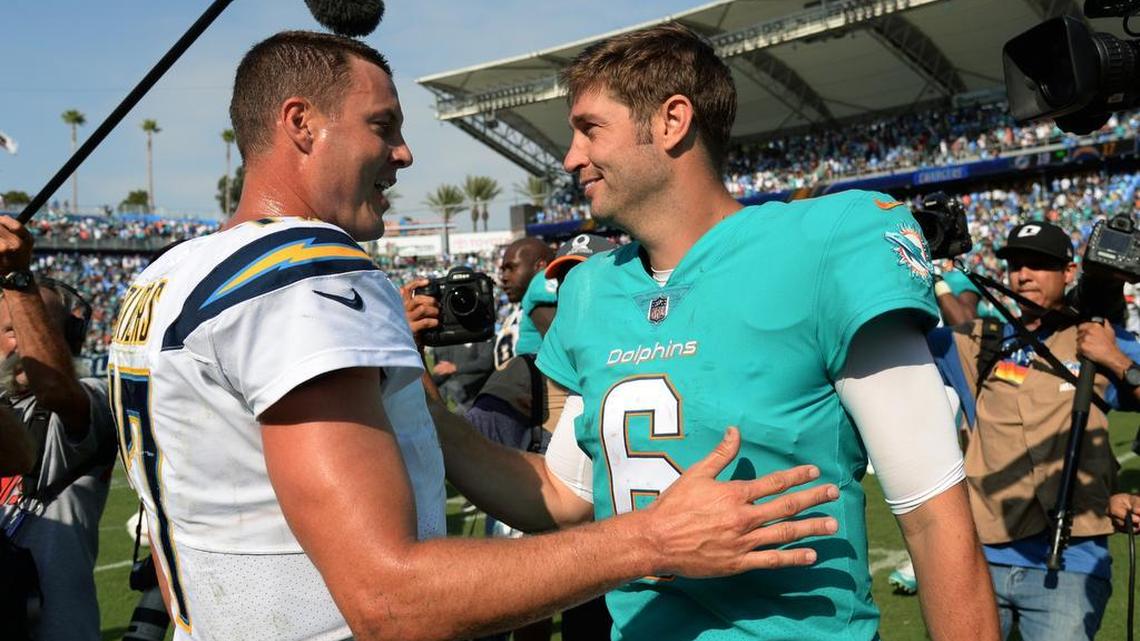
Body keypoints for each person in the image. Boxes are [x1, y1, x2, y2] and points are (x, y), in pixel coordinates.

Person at [106, 31, 841, 641]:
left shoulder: (165, 278)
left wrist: (426, 410)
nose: (404, 154)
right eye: (383, 125)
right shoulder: (304, 273)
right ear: (301, 124)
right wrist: (652, 539)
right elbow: (388, 598)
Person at [486, 22, 997, 640]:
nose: (570, 157)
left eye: (591, 129)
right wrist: (422, 414)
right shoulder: (592, 289)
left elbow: (933, 515)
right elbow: (561, 496)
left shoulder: (825, 243)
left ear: (673, 121)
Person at [929, 220, 1140, 641]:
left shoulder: (1098, 338)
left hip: (1069, 564)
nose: (1023, 275)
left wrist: (1113, 358)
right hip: (978, 561)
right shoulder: (981, 341)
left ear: (1068, 272)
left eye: (1039, 264)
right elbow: (899, 335)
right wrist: (927, 268)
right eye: (1015, 265)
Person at [0, 215, 115, 641]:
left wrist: (16, 279)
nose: (23, 344)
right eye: (12, 329)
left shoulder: (94, 396)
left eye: (39, 329)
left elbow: (55, 388)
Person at [493, 237, 553, 369]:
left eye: (511, 268)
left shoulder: (539, 288)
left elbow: (563, 347)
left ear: (540, 267)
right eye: (503, 270)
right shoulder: (521, 306)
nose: (504, 277)